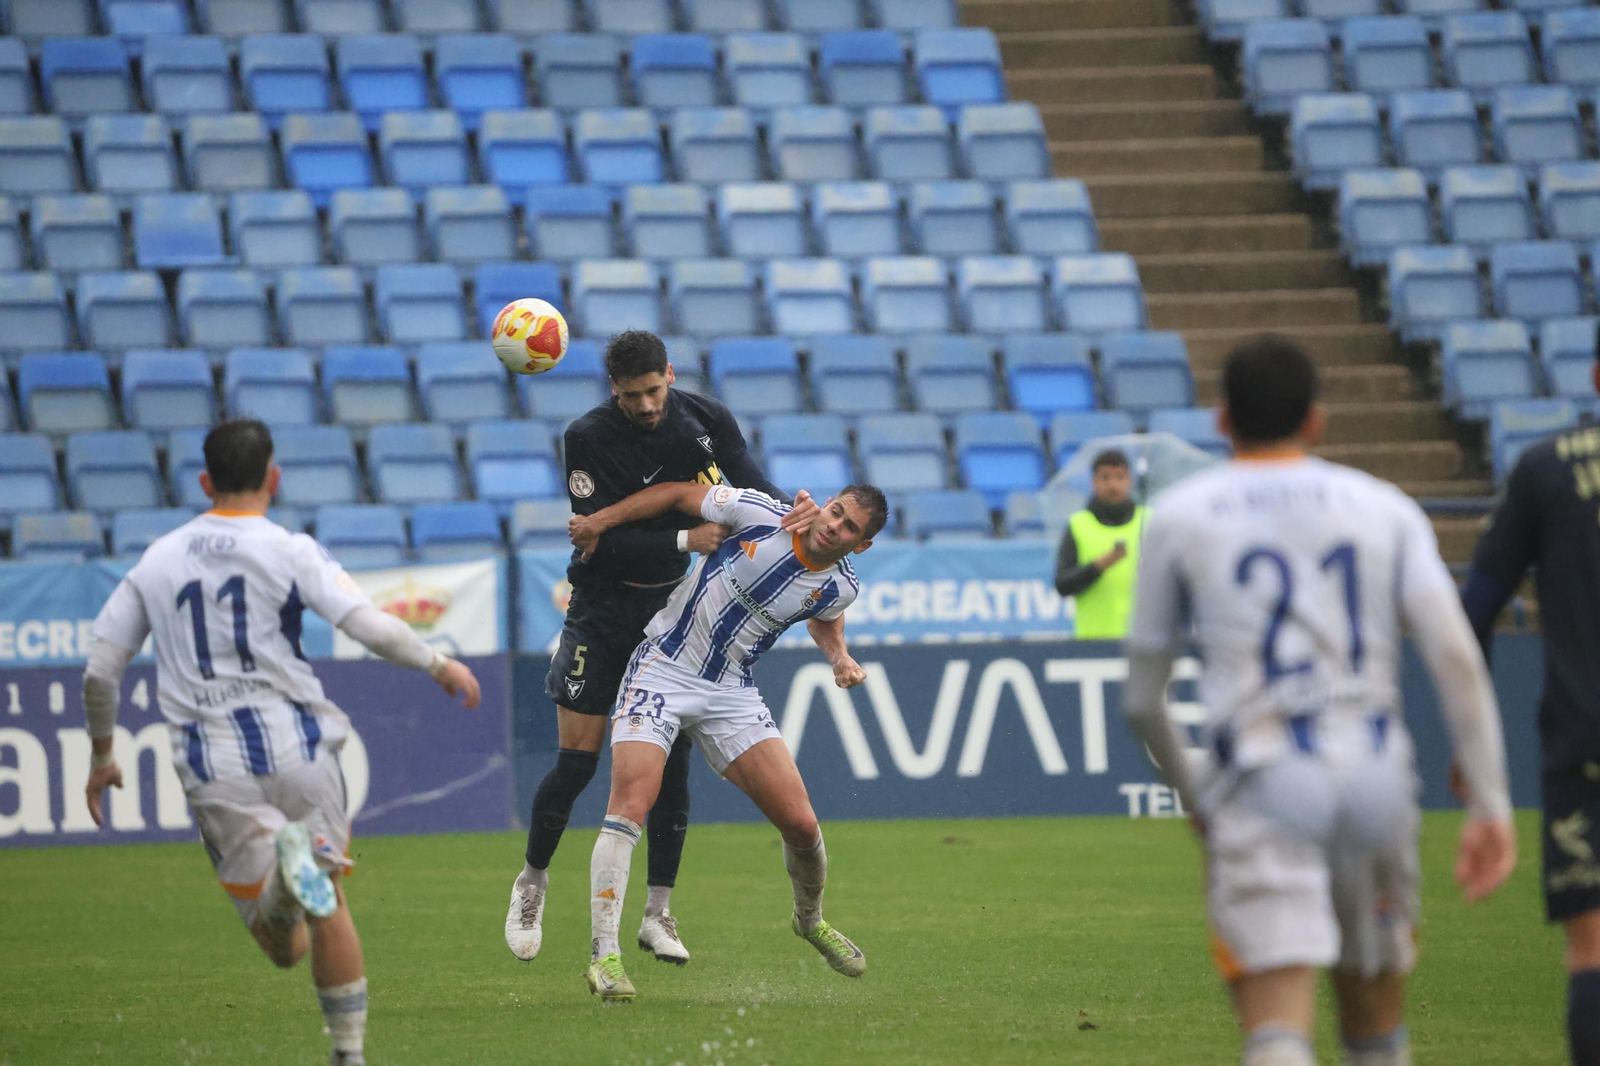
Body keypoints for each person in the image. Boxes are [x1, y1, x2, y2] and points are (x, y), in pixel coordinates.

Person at [1121, 335, 1517, 1066]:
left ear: (1221, 420)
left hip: (1265, 775)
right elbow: (1456, 654)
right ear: (1316, 421)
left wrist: (1198, 796)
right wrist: (1491, 799)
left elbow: (1143, 696)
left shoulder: (1181, 514)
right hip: (1373, 771)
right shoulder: (1384, 507)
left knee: (1276, 1024)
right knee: (1373, 1020)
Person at [80, 419, 482, 1066]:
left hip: (215, 764)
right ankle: (349, 1054)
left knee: (278, 944)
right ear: (274, 477)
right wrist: (439, 664)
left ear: (205, 481)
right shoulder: (290, 549)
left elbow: (100, 671)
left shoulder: (156, 560)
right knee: (324, 906)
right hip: (304, 750)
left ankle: (285, 883)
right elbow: (370, 625)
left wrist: (102, 756)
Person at [506, 330, 819, 965]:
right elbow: (598, 542)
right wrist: (684, 540)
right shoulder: (588, 438)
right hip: (603, 608)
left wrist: (794, 513)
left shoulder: (706, 418)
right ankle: (532, 881)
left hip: (674, 614)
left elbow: (754, 489)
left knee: (670, 768)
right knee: (577, 764)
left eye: (653, 391)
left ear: (669, 376)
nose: (646, 406)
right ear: (613, 391)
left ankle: (658, 912)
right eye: (631, 396)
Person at [566, 480, 886, 1002]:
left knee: (802, 826)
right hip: (662, 671)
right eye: (836, 511)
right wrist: (600, 522)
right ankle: (604, 957)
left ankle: (810, 921)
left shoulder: (841, 586)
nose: (834, 526)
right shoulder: (759, 513)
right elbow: (675, 492)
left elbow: (827, 617)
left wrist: (839, 656)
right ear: (826, 503)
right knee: (630, 807)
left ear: (862, 545)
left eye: (850, 527)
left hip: (730, 692)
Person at [1459, 331, 1600, 1066]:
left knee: (1592, 951)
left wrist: (1470, 739)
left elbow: (1476, 606)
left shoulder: (1547, 469)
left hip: (1583, 744)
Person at [1055, 448, 1146, 640]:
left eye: (1119, 477)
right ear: (1094, 482)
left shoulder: (1149, 521)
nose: (1113, 485)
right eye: (1105, 478)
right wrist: (1098, 566)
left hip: (1142, 641)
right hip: (1093, 643)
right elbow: (1062, 584)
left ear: (1129, 481)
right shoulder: (1078, 525)